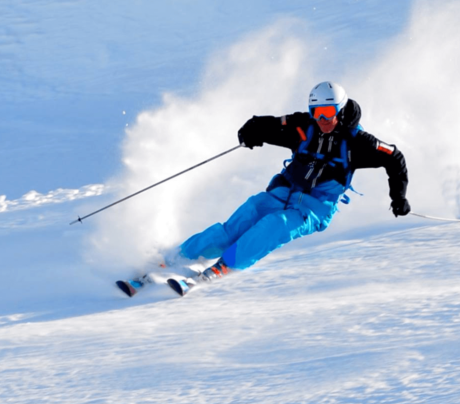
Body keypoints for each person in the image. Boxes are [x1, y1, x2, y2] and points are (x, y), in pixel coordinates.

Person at [164, 81, 410, 282]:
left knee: (275, 225)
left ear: (341, 110)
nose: (322, 119)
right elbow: (267, 124)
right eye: (317, 113)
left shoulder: (359, 143)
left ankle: (222, 267)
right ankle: (179, 257)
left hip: (314, 207)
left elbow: (395, 158)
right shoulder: (304, 126)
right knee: (243, 218)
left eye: (329, 112)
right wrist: (251, 131)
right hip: (281, 192)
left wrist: (398, 197)